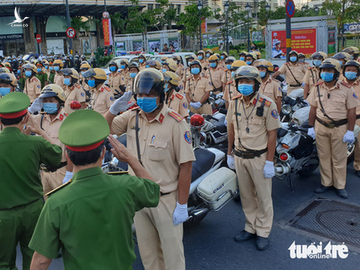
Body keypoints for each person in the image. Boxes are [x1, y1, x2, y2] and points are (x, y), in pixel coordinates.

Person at [29, 109, 160, 270]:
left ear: (68, 156)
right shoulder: (125, 185)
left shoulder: (56, 202)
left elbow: (41, 260)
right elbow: (153, 191)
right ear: (103, 152)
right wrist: (131, 159)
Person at [104, 68, 195, 270]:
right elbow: (102, 128)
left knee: (172, 256)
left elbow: (186, 166)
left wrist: (182, 204)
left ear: (161, 96)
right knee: (148, 254)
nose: (144, 99)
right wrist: (112, 110)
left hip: (165, 200)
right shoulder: (132, 117)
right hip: (138, 198)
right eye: (141, 95)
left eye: (150, 95)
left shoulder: (175, 123)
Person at [0, 92, 62, 270]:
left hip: (3, 215)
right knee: (33, 259)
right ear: (26, 117)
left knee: (3, 263)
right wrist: (39, 130)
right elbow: (59, 155)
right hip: (33, 211)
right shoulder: (35, 144)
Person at [226, 66, 280, 251]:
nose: (244, 85)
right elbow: (231, 128)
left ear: (256, 84)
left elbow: (272, 134)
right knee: (246, 196)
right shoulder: (233, 103)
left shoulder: (267, 104)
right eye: (241, 82)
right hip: (240, 156)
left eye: (248, 82)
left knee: (264, 197)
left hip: (259, 157)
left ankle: (263, 231)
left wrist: (269, 162)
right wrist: (229, 153)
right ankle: (250, 226)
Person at [307, 58, 360, 199]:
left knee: (339, 158)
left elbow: (351, 112)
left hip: (339, 128)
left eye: (329, 71)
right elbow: (313, 109)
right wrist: (310, 127)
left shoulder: (347, 89)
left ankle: (339, 185)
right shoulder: (317, 88)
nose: (325, 73)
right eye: (323, 70)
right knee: (324, 157)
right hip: (321, 127)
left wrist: (350, 131)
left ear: (336, 73)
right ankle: (326, 183)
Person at [27, 84, 74, 195]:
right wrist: (30, 110)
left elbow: (70, 151)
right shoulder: (40, 118)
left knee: (63, 205)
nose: (48, 103)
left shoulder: (67, 120)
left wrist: (69, 174)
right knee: (47, 207)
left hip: (60, 171)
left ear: (59, 102)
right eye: (45, 101)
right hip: (44, 173)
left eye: (51, 101)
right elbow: (21, 121)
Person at [340, 60, 360, 177]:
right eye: (348, 70)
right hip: (342, 118)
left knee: (359, 144)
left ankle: (358, 166)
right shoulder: (339, 83)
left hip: (358, 117)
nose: (350, 72)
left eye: (353, 70)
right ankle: (338, 168)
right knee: (340, 144)